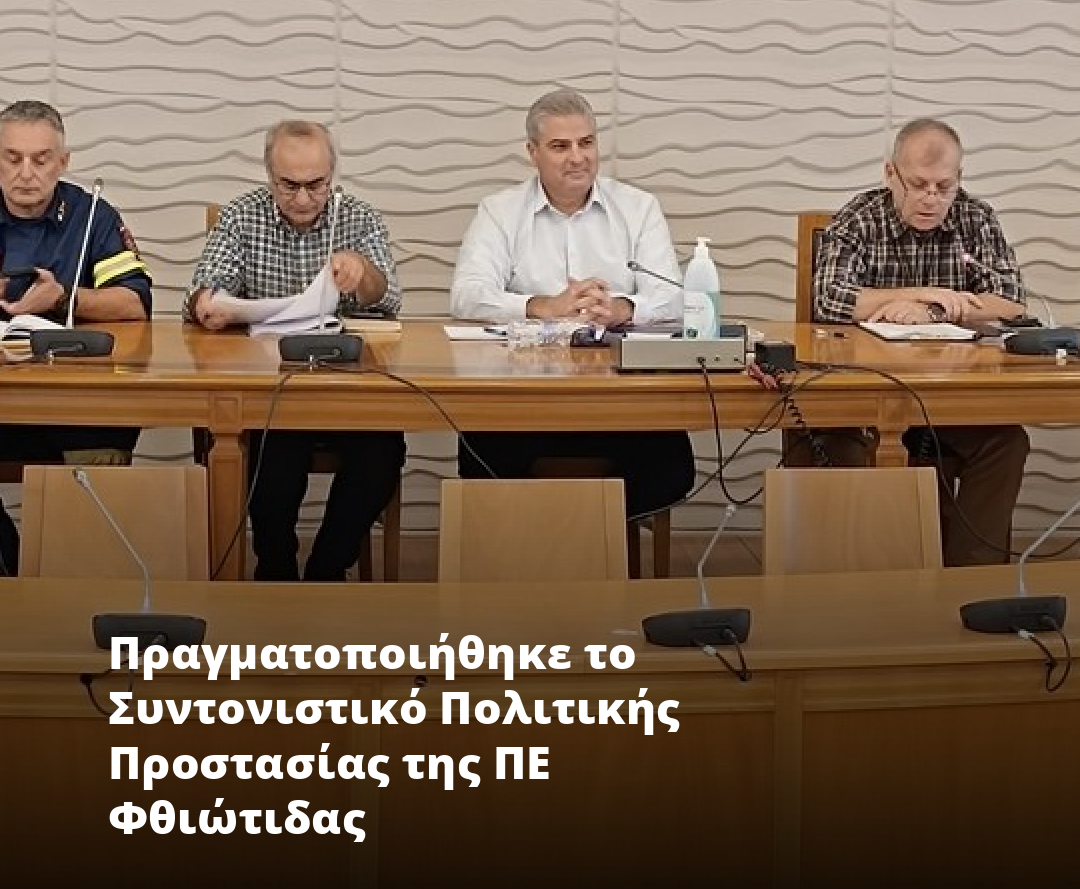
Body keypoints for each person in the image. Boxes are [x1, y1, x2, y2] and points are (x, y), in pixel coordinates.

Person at [451, 89, 695, 522]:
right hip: (524, 400)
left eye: (587, 143)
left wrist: (622, 308)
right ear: (533, 152)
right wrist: (542, 305)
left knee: (670, 468)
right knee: (481, 456)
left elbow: (674, 296)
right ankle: (544, 549)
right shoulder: (499, 211)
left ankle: (596, 547)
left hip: (620, 402)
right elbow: (466, 296)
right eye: (560, 146)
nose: (577, 158)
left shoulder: (638, 208)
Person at [188, 120, 405, 581]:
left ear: (332, 175)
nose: (304, 198)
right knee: (271, 454)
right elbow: (206, 287)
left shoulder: (358, 216)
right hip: (272, 387)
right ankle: (276, 567)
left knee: (382, 453)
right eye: (289, 185)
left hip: (348, 389)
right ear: (270, 176)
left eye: (316, 184)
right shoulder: (241, 215)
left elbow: (387, 298)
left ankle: (328, 568)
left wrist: (362, 272)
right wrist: (207, 303)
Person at [812, 116, 1029, 566]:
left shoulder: (976, 217)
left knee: (1007, 443)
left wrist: (935, 310)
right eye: (918, 184)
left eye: (943, 186)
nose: (931, 198)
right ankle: (863, 579)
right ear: (891, 173)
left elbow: (1011, 302)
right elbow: (830, 299)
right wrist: (920, 293)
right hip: (869, 396)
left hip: (952, 397)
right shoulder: (859, 218)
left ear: (959, 178)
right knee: (829, 436)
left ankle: (971, 580)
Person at [0, 99, 151, 575]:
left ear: (63, 162)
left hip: (76, 402)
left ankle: (78, 580)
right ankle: (11, 567)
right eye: (12, 158)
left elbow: (135, 303)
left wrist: (64, 297)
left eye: (41, 159)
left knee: (104, 434)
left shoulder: (92, 216)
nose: (26, 173)